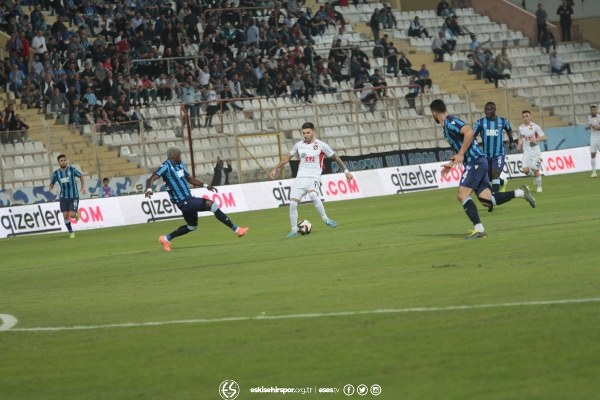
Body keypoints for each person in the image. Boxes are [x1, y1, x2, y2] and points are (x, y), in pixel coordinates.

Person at [429, 99, 536, 240]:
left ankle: (479, 230)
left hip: (475, 162)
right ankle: (521, 192)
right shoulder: (446, 126)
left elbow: (469, 132)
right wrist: (453, 161)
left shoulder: (450, 122)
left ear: (435, 113)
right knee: (488, 200)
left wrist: (461, 154)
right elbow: (462, 145)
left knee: (462, 195)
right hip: (476, 161)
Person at [145, 147, 248, 252]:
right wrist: (149, 189)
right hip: (183, 201)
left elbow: (189, 179)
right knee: (211, 204)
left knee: (192, 226)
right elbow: (152, 177)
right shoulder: (166, 166)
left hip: (188, 199)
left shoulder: (181, 164)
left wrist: (205, 185)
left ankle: (165, 239)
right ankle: (237, 229)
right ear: (174, 156)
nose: (181, 157)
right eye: (179, 155)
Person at [269, 122, 353, 238]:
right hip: (300, 178)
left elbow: (335, 157)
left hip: (314, 177)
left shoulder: (321, 145)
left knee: (313, 195)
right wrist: (275, 168)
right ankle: (293, 230)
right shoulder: (299, 145)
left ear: (313, 132)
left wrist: (346, 171)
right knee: (293, 204)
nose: (306, 135)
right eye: (304, 133)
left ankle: (326, 219)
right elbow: (287, 157)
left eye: (308, 132)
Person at [473, 102, 516, 196]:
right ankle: (503, 183)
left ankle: (494, 197)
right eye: (485, 109)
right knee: (490, 178)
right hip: (486, 155)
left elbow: (509, 129)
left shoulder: (502, 121)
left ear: (494, 110)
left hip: (499, 154)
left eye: (489, 109)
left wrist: (511, 140)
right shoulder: (480, 122)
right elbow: (473, 135)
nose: (486, 111)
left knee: (495, 174)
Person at [49, 154, 86, 239]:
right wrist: (51, 186)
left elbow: (81, 176)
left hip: (74, 196)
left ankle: (76, 214)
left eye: (64, 160)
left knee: (72, 215)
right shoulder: (56, 173)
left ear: (66, 161)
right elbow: (52, 182)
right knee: (65, 215)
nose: (63, 162)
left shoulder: (72, 170)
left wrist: (82, 187)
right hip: (63, 197)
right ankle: (71, 232)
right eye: (61, 161)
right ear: (58, 162)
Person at [517, 110, 547, 193]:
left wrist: (536, 139)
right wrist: (519, 145)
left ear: (530, 117)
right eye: (523, 116)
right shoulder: (520, 128)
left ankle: (539, 187)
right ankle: (534, 175)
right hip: (526, 152)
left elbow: (544, 137)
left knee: (536, 170)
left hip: (535, 151)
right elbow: (520, 137)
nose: (525, 118)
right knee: (525, 170)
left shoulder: (535, 127)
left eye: (527, 116)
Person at [585, 104, 600, 178]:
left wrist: (596, 128)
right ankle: (594, 172)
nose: (593, 111)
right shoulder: (589, 118)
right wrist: (588, 127)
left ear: (597, 110)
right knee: (593, 154)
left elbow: (597, 127)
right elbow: (590, 125)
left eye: (594, 109)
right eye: (592, 110)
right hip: (593, 138)